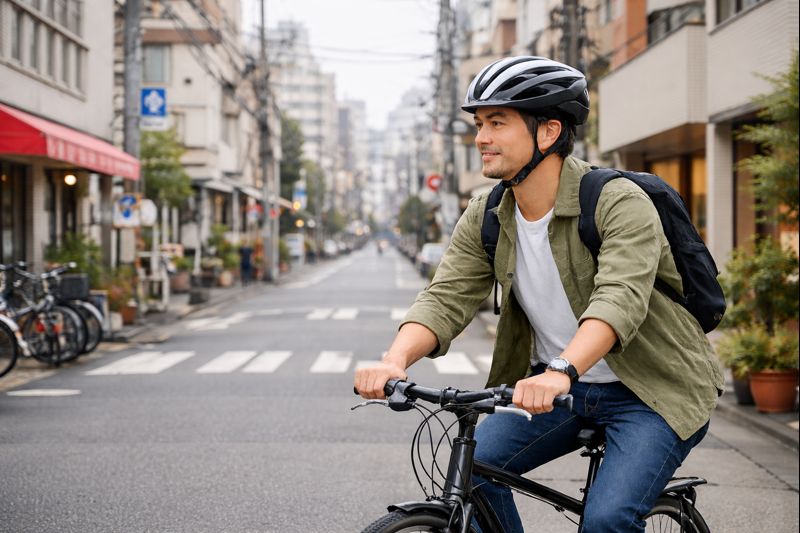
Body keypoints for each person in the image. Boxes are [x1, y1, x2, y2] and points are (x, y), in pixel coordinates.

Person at [354, 56, 723, 532]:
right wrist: (394, 361)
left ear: (548, 132)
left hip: (654, 392)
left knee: (607, 519)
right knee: (475, 472)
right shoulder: (487, 213)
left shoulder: (617, 201)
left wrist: (561, 370)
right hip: (564, 392)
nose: (481, 137)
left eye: (497, 123)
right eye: (479, 124)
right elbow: (444, 297)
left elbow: (619, 299)